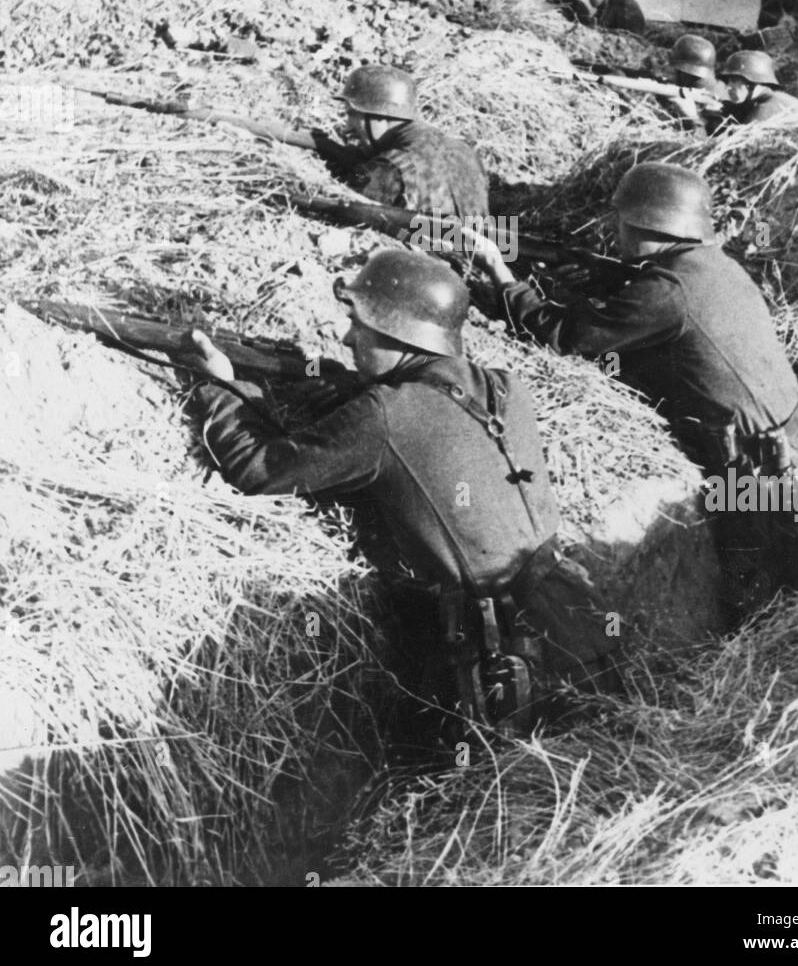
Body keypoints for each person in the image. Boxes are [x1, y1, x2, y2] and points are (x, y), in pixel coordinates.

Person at [184, 249, 619, 732]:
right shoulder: (506, 389)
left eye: (361, 328)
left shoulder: (384, 415)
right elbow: (443, 426)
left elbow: (259, 470)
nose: (347, 338)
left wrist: (218, 386)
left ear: (399, 334)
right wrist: (348, 389)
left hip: (506, 661)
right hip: (580, 623)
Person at [465, 163, 798, 627]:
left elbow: (560, 336)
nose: (613, 233)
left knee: (766, 618)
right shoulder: (718, 266)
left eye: (620, 223)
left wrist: (501, 275)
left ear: (647, 225)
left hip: (768, 488)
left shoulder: (665, 290)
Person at [318, 65, 489, 217]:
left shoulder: (387, 169)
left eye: (352, 115)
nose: (348, 127)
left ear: (378, 115)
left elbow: (343, 216)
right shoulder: (466, 153)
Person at [717, 50, 798, 124]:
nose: (728, 87)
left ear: (752, 83)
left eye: (734, 81)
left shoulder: (765, 109)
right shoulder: (776, 98)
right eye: (728, 81)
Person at [663, 34, 728, 135]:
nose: (672, 73)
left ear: (684, 71)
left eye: (675, 69)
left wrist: (692, 118)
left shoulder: (714, 104)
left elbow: (707, 144)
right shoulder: (718, 88)